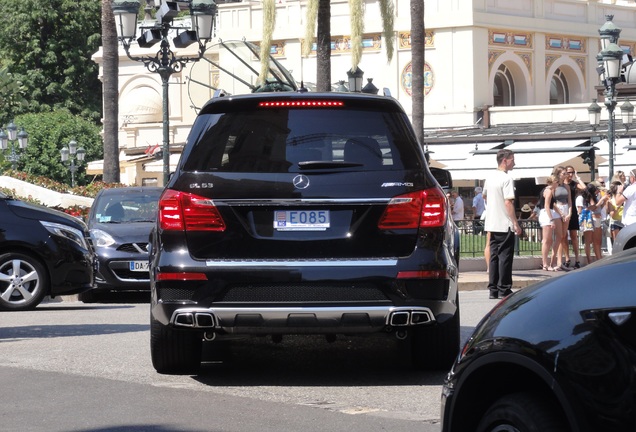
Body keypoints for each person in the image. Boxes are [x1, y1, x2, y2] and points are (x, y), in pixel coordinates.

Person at [483, 149, 522, 299]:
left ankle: (493, 289)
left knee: (494, 256)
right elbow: (508, 202)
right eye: (512, 160)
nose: (514, 163)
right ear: (504, 160)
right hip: (504, 223)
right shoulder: (506, 179)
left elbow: (484, 195)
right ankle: (504, 288)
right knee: (505, 257)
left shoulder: (490, 177)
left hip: (492, 222)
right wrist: (515, 222)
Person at [564, 166, 586, 269]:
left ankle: (577, 259)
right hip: (563, 210)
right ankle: (567, 258)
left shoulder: (573, 184)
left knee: (574, 236)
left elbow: (584, 187)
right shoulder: (561, 184)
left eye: (572, 172)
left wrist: (578, 177)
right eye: (569, 172)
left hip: (572, 210)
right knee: (563, 236)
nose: (570, 174)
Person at [537, 175, 559, 271]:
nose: (558, 184)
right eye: (557, 182)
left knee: (549, 240)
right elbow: (547, 205)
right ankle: (545, 263)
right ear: (553, 182)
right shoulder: (549, 191)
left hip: (545, 213)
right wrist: (551, 219)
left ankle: (545, 263)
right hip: (546, 214)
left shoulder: (546, 190)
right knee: (546, 240)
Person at [552, 166, 571, 271]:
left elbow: (570, 201)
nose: (566, 175)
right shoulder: (554, 186)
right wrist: (561, 213)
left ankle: (560, 261)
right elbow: (552, 201)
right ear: (558, 174)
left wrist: (569, 213)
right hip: (557, 209)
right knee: (559, 236)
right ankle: (556, 261)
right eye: (564, 173)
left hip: (565, 208)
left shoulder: (566, 186)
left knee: (563, 236)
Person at [607, 180, 624, 244]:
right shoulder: (611, 201)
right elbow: (612, 215)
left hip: (623, 222)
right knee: (616, 242)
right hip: (615, 223)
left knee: (623, 242)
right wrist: (618, 207)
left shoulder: (623, 198)